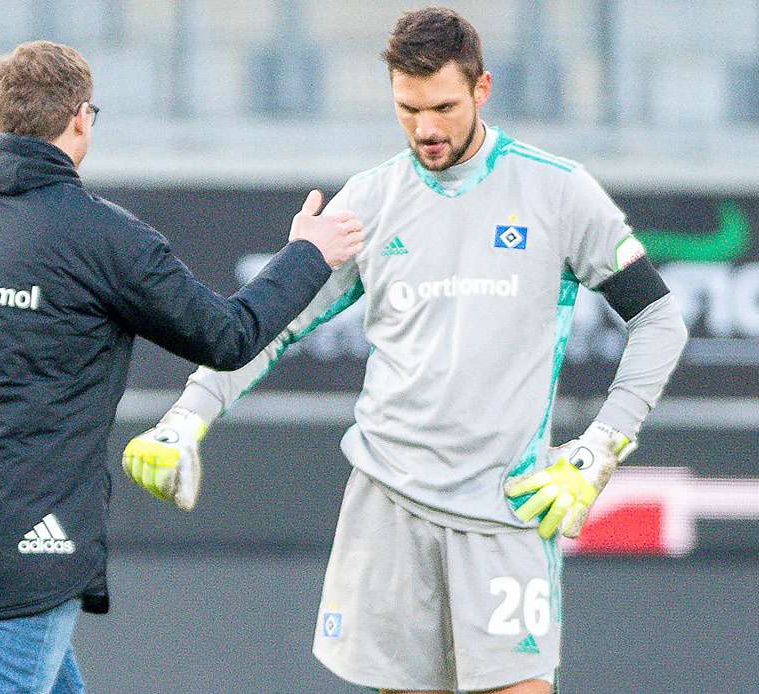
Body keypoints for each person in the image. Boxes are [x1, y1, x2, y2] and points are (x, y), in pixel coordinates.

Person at [122, 7, 688, 693]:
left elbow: (659, 319)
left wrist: (600, 449)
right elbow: (272, 327)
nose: (426, 128)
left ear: (482, 89)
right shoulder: (370, 200)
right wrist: (187, 418)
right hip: (389, 506)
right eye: (408, 108)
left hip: (505, 510)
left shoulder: (557, 190)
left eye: (444, 106)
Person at [0, 40, 364, 694]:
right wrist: (306, 254)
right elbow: (229, 337)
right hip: (45, 528)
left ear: (1, 117)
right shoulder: (106, 236)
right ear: (81, 118)